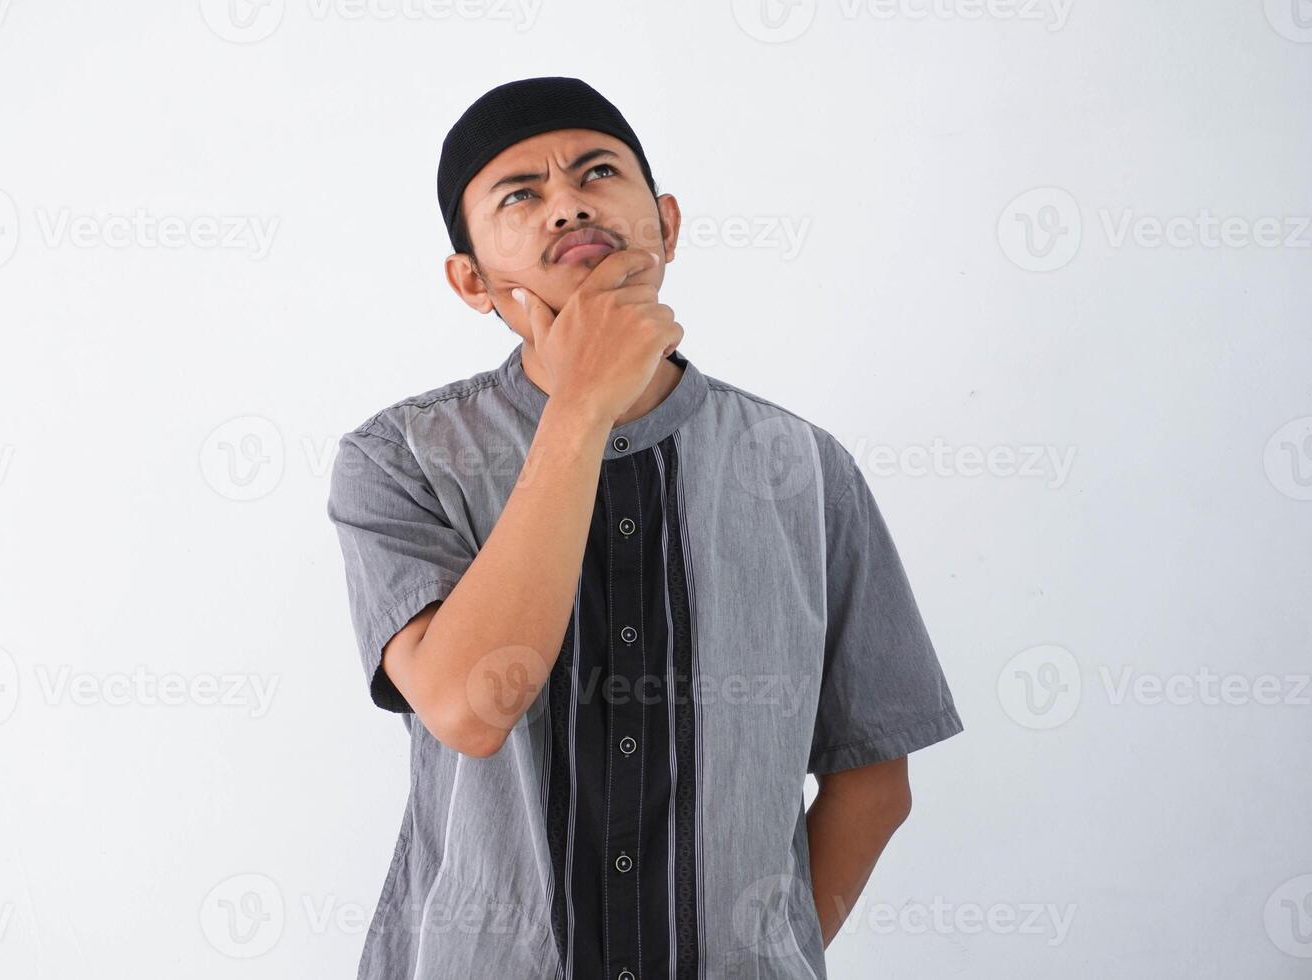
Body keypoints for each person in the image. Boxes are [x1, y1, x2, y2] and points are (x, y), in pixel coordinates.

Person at [327, 75, 963, 980]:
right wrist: (583, 405)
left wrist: (768, 953)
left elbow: (874, 783)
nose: (568, 202)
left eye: (597, 172)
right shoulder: (401, 459)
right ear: (471, 279)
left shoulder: (804, 468)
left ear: (664, 222)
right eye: (521, 193)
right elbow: (472, 705)